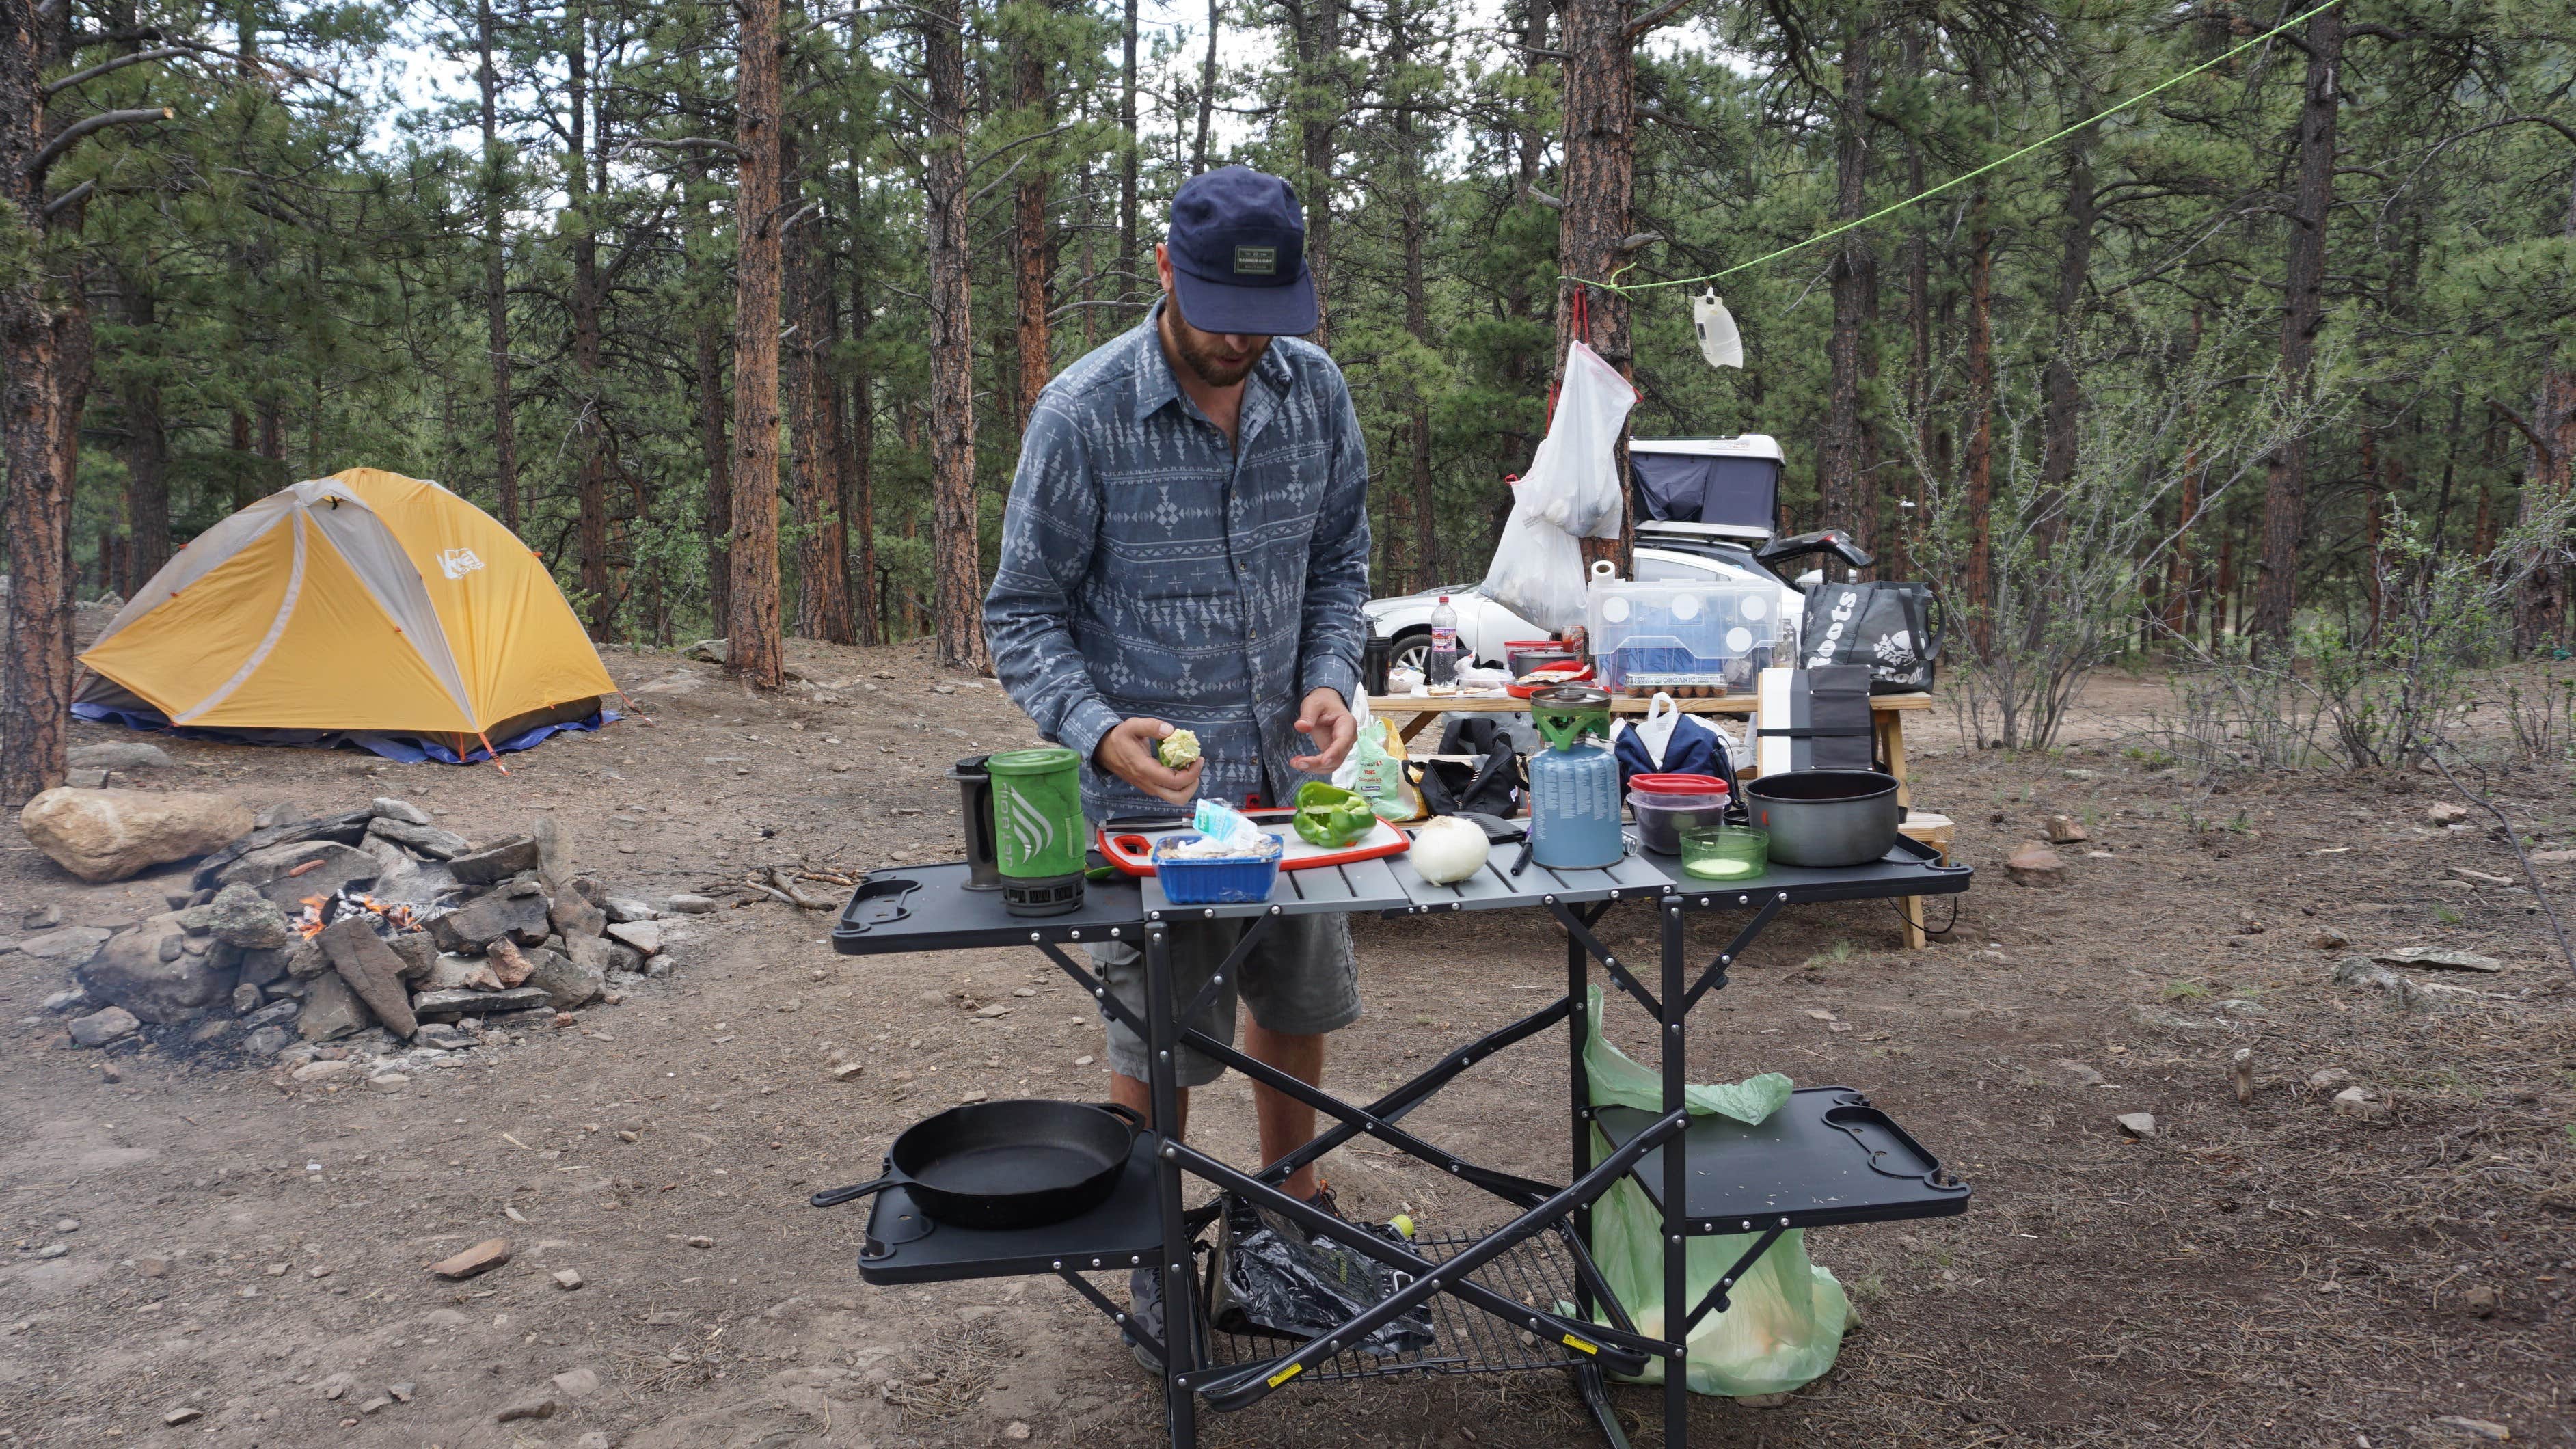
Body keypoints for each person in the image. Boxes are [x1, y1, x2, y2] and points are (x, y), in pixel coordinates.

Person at [983, 164, 1370, 1358]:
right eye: (1215, 317)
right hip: (1148, 807)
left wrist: (1331, 676)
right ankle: (1156, 1240)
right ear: (1163, 272)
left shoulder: (1314, 392)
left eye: (1264, 321)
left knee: (1294, 1000)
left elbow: (1340, 564)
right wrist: (1100, 730)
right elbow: (1021, 615)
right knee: (1157, 1028)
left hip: (1287, 788)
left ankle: (1287, 1212)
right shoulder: (1082, 411)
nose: (1239, 342)